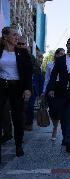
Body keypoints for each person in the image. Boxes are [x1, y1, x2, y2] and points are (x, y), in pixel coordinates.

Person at [0, 26, 32, 157]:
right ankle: (6, 134)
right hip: (2, 85)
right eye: (13, 35)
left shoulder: (22, 52)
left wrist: (28, 89)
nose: (16, 37)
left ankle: (18, 145)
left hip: (17, 87)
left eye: (17, 35)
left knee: (18, 117)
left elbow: (28, 72)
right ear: (6, 37)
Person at [42, 48, 65, 140]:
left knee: (59, 109)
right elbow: (47, 79)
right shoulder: (50, 64)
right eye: (60, 54)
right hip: (51, 87)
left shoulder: (66, 65)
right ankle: (55, 125)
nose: (62, 55)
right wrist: (44, 91)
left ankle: (55, 128)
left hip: (61, 88)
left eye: (64, 54)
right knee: (52, 110)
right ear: (56, 55)